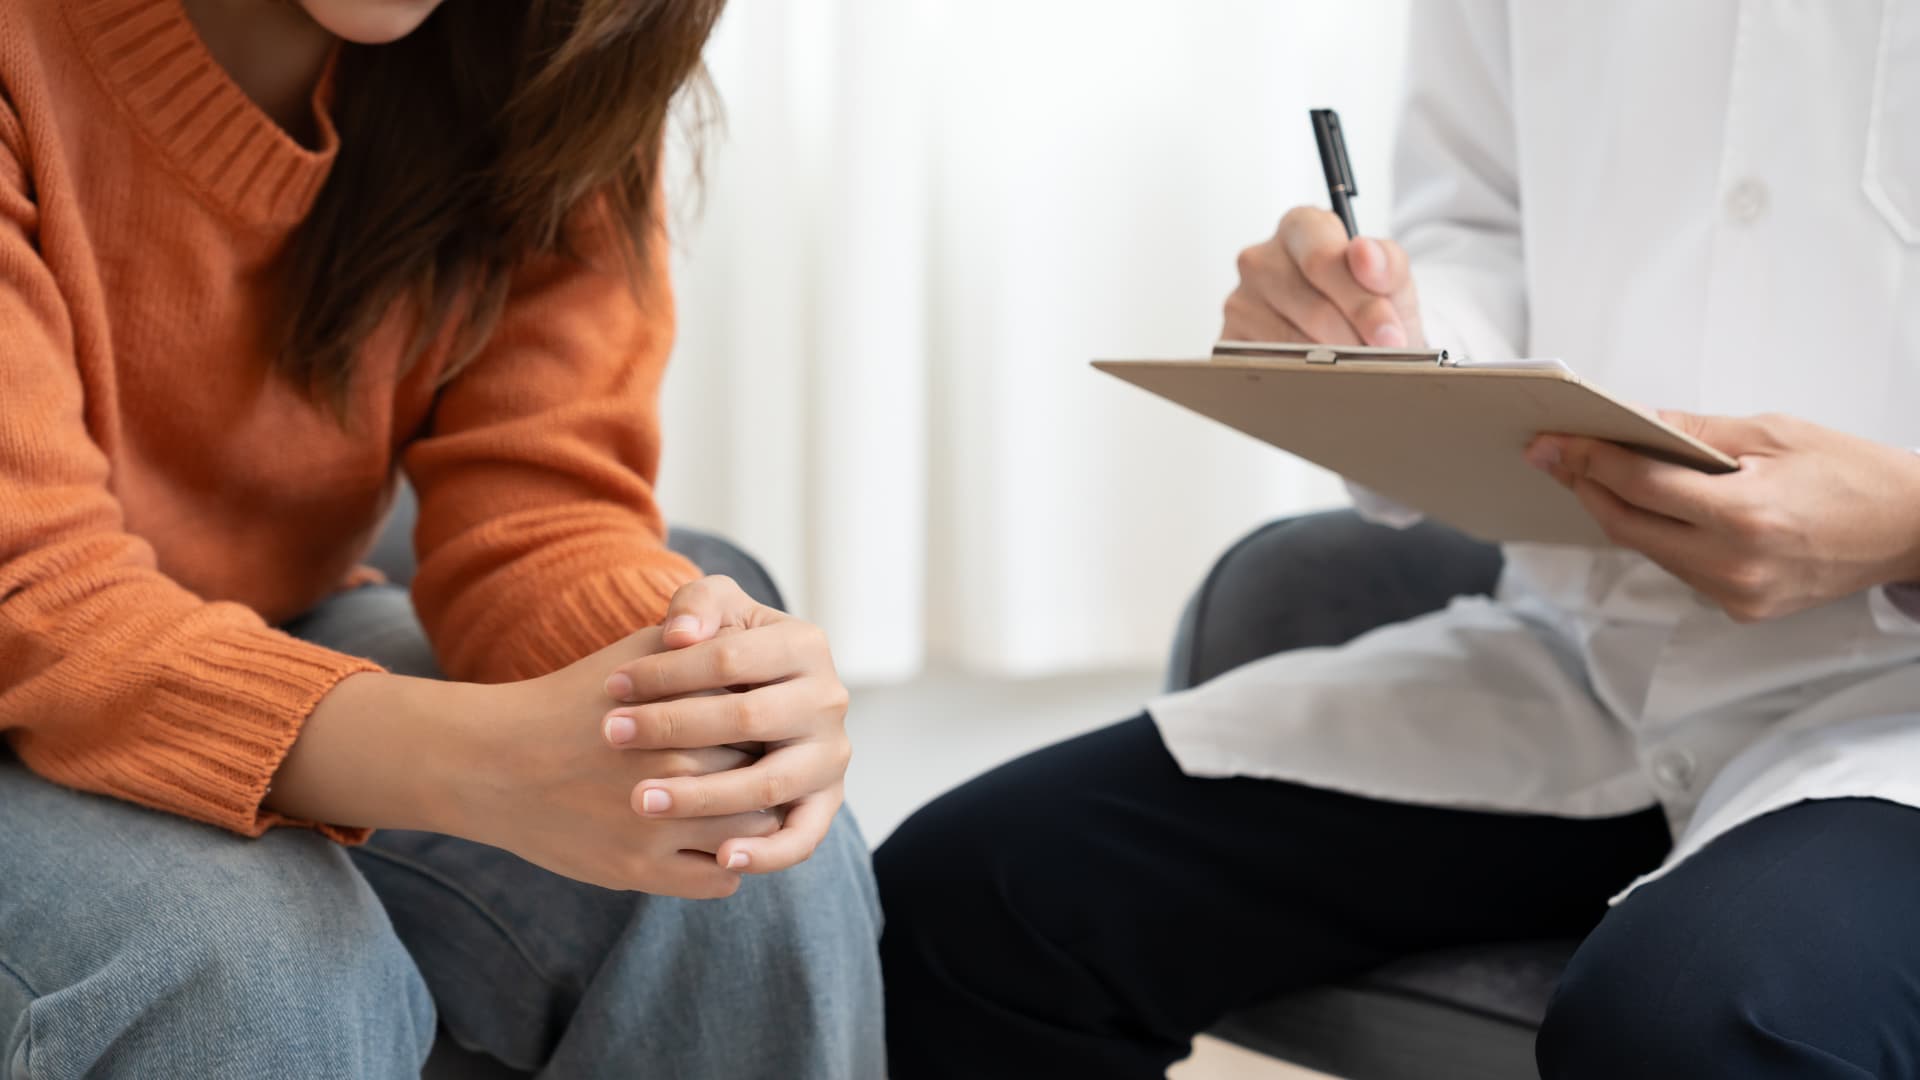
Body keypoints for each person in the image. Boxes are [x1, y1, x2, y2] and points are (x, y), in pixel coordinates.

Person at [877, 1, 1920, 1076]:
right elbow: (1475, 232)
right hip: (1592, 656)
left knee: (1698, 1025)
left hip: (1902, 708)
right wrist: (1384, 343)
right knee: (973, 901)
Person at [0, 1, 879, 1077]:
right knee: (248, 961)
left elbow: (537, 506)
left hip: (254, 625)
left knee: (736, 839)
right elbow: (36, 600)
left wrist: (690, 673)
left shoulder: (553, 45)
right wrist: (487, 763)